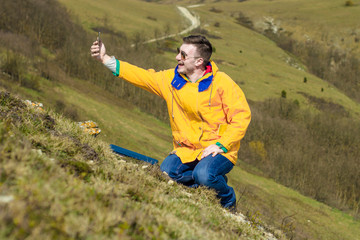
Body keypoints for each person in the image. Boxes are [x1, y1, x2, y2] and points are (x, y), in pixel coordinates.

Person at [90, 35, 251, 209]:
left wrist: (222, 145)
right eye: (178, 52)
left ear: (199, 61)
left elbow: (241, 117)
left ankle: (227, 199)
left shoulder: (222, 83)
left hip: (217, 149)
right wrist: (105, 59)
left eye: (183, 55)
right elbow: (141, 76)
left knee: (204, 175)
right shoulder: (170, 80)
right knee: (167, 173)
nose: (177, 58)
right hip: (186, 150)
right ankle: (205, 182)